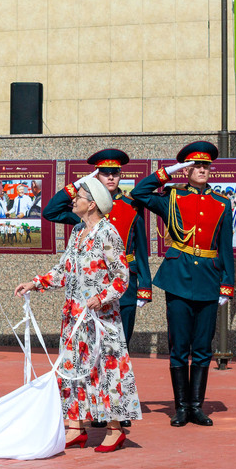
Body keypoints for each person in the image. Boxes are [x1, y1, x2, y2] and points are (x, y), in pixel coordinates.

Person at [14, 177, 141, 453]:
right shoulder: (77, 232)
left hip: (101, 319)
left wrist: (100, 297)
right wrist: (35, 283)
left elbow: (122, 277)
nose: (73, 199)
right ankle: (75, 427)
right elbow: (63, 270)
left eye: (79, 196)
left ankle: (116, 430)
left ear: (92, 204)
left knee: (106, 371)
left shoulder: (108, 233)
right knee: (71, 370)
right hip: (74, 316)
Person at [131, 141, 234, 428]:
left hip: (209, 280)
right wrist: (167, 172)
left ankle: (196, 407)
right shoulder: (171, 198)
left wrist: (227, 283)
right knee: (179, 346)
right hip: (177, 278)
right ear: (187, 170)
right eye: (196, 166)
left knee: (202, 346)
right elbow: (139, 193)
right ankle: (180, 408)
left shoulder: (222, 204)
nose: (202, 170)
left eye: (205, 166)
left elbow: (226, 248)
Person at [43, 149, 152, 352]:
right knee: (87, 352)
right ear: (96, 175)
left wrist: (145, 286)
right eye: (104, 172)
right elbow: (50, 211)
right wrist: (78, 184)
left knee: (117, 350)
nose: (111, 177)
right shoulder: (85, 209)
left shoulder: (132, 206)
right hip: (89, 291)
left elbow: (141, 248)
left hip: (122, 287)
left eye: (115, 173)